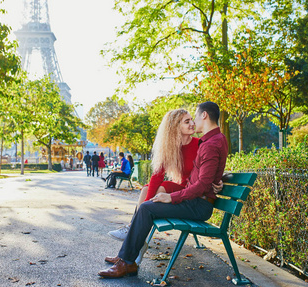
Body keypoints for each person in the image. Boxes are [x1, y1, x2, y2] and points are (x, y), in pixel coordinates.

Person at [98, 101, 228, 278]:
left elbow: (204, 181)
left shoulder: (207, 143)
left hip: (198, 201)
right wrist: (219, 179)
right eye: (187, 121)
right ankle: (127, 259)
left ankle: (127, 261)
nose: (193, 123)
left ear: (203, 115)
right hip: (195, 198)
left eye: (194, 117)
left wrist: (172, 198)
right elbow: (208, 173)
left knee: (147, 207)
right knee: (147, 201)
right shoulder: (211, 141)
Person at [107, 108, 200, 240]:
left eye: (191, 119)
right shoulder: (171, 148)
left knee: (164, 186)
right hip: (182, 189)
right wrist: (146, 203)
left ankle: (134, 231)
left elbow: (210, 168)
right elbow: (157, 176)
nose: (192, 123)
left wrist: (219, 178)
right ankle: (133, 227)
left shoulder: (199, 144)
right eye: (187, 121)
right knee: (146, 188)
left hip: (191, 193)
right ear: (175, 127)